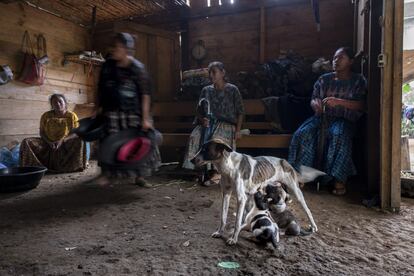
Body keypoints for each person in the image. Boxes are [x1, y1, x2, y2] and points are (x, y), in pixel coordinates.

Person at [288, 47, 367, 195]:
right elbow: (314, 99)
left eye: (341, 57)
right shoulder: (324, 79)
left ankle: (338, 179)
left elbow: (362, 105)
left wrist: (339, 102)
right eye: (335, 57)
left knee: (338, 134)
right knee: (302, 134)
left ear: (350, 61)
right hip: (322, 117)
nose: (336, 60)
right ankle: (301, 176)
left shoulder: (358, 80)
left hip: (344, 119)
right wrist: (316, 105)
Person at [94, 32, 161, 187]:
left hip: (133, 113)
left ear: (127, 50)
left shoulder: (137, 68)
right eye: (114, 46)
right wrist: (97, 107)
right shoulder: (108, 66)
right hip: (112, 112)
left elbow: (145, 94)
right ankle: (108, 175)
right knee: (109, 143)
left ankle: (140, 177)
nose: (114, 50)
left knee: (137, 144)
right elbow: (100, 88)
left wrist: (145, 118)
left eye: (118, 47)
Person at [182, 61, 245, 185]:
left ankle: (218, 173)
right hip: (208, 123)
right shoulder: (206, 90)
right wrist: (202, 119)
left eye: (214, 72)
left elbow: (240, 112)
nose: (211, 75)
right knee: (195, 136)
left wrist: (238, 130)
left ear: (222, 73)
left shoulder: (232, 89)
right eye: (210, 72)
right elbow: (199, 111)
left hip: (227, 124)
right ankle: (202, 171)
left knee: (214, 142)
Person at [20, 93, 87, 172]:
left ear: (65, 103)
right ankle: (37, 168)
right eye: (54, 102)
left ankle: (71, 167)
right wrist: (49, 142)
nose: (58, 104)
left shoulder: (71, 116)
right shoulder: (46, 116)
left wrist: (62, 141)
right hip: (47, 143)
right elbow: (42, 132)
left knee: (81, 140)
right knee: (26, 142)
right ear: (52, 105)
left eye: (60, 102)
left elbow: (75, 133)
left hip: (65, 143)